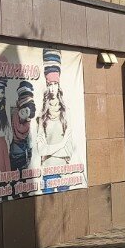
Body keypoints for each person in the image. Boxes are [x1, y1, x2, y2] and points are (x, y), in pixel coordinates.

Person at [38, 50, 72, 192]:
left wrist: (51, 150)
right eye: (50, 84)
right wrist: (61, 145)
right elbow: (41, 149)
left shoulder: (65, 113)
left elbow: (69, 149)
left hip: (64, 170)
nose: (52, 88)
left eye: (55, 84)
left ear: (59, 85)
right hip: (48, 169)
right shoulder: (42, 116)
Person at [10, 80, 36, 174]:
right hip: (15, 150)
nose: (23, 111)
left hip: (21, 151)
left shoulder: (26, 124)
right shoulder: (14, 113)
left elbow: (29, 141)